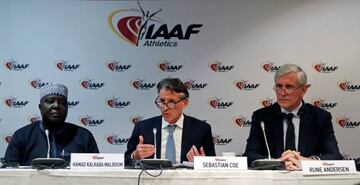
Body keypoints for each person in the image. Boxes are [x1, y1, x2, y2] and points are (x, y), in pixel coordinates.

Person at [244, 64, 342, 171]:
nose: (282, 93)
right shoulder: (261, 116)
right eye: (279, 86)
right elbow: (250, 155)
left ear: (303, 90)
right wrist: (277, 163)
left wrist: (307, 162)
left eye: (289, 87)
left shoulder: (320, 117)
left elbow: (335, 156)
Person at [125, 77, 215, 166]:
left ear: (185, 102)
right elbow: (126, 160)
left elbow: (213, 166)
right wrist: (135, 156)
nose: (165, 107)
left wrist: (202, 163)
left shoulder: (202, 129)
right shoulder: (142, 128)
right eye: (162, 101)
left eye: (171, 102)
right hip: (152, 180)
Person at [4, 83, 99, 166]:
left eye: (62, 102)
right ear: (40, 107)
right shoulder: (22, 135)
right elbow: (10, 172)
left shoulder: (84, 136)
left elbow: (96, 172)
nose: (56, 106)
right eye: (50, 101)